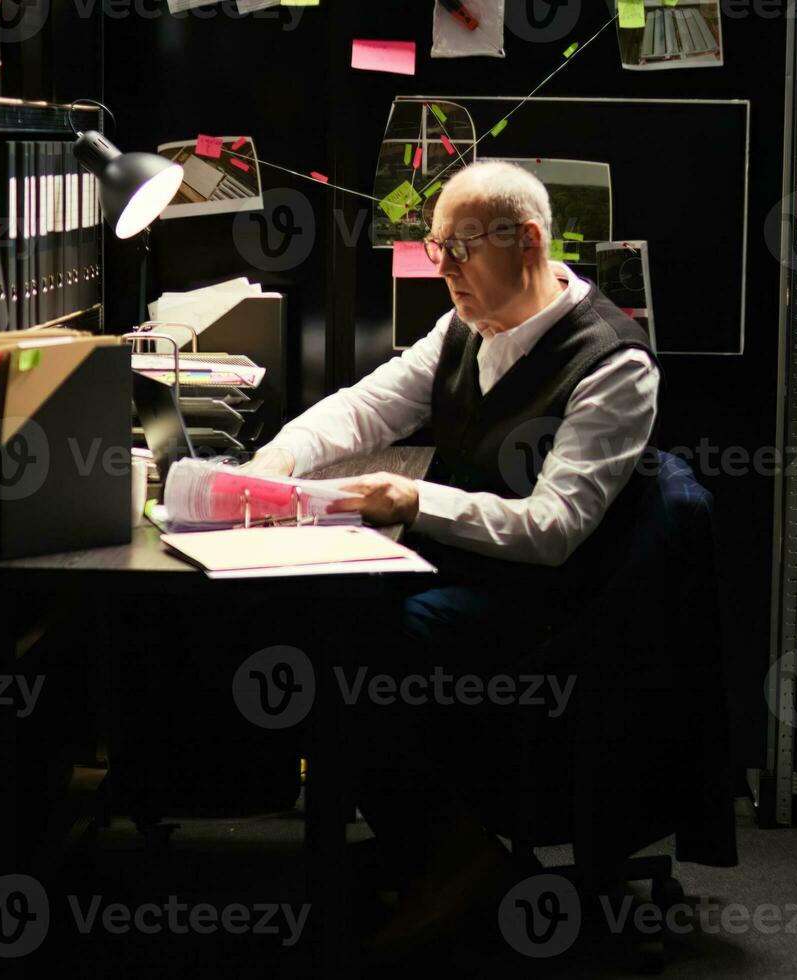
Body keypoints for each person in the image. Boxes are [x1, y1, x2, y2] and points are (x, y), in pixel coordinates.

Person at [244, 160, 660, 950]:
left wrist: (415, 501)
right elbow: (367, 406)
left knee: (364, 650)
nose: (445, 270)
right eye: (437, 249)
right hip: (466, 567)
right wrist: (279, 459)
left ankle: (454, 854)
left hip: (552, 600)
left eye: (460, 248)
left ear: (527, 240)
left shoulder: (613, 364)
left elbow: (555, 527)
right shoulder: (465, 326)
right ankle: (427, 842)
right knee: (302, 616)